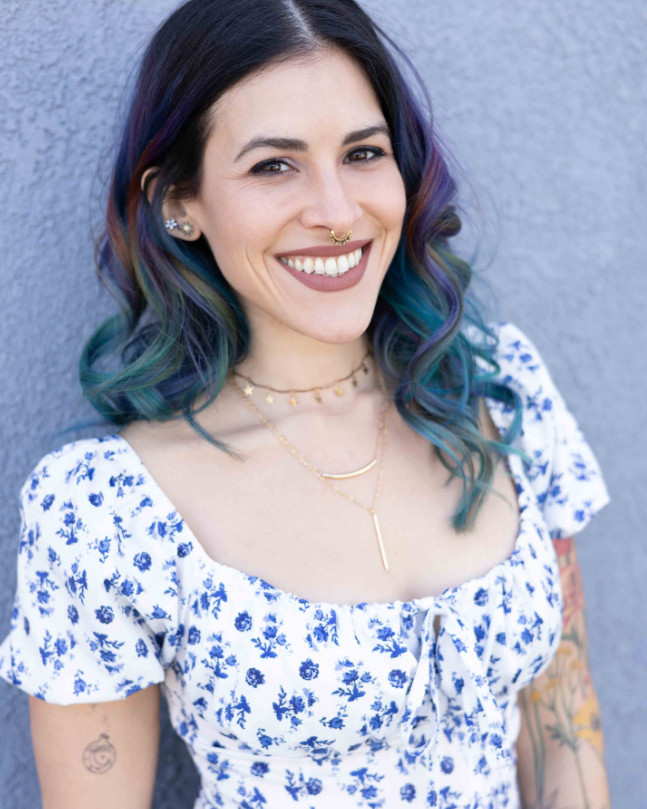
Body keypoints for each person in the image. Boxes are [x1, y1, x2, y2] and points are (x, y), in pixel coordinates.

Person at [0, 1, 612, 807]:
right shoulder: (106, 510)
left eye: (363, 152)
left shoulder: (495, 391)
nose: (335, 212)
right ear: (179, 201)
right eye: (273, 166)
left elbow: (563, 744)